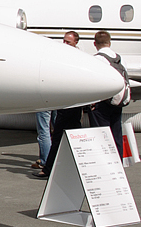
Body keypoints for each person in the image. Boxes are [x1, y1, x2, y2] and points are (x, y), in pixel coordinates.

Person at [37, 31, 86, 177]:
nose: (64, 44)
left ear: (75, 43)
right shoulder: (69, 57)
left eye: (68, 42)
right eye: (64, 41)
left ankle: (49, 168)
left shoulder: (76, 59)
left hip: (70, 104)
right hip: (66, 103)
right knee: (60, 134)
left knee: (56, 134)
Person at [87, 30, 130, 149]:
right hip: (117, 101)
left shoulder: (96, 59)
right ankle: (118, 162)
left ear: (94, 44)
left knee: (101, 135)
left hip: (101, 103)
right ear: (109, 43)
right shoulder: (120, 59)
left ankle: (104, 163)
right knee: (116, 133)